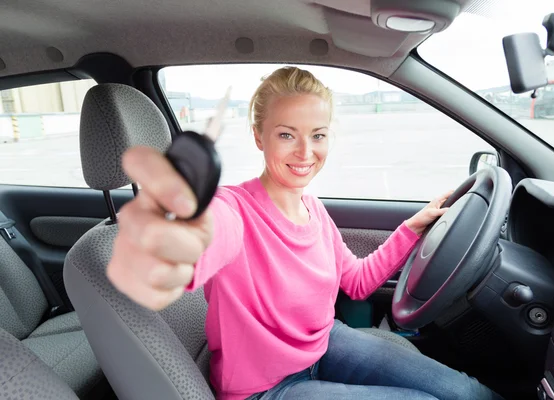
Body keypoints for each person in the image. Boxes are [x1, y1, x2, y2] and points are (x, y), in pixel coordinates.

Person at [108, 67, 503, 400]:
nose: (304, 152)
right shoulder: (232, 209)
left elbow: (358, 281)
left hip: (324, 344)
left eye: (317, 134)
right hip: (266, 389)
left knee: (464, 392)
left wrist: (412, 228)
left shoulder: (311, 207)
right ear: (258, 136)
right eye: (286, 134)